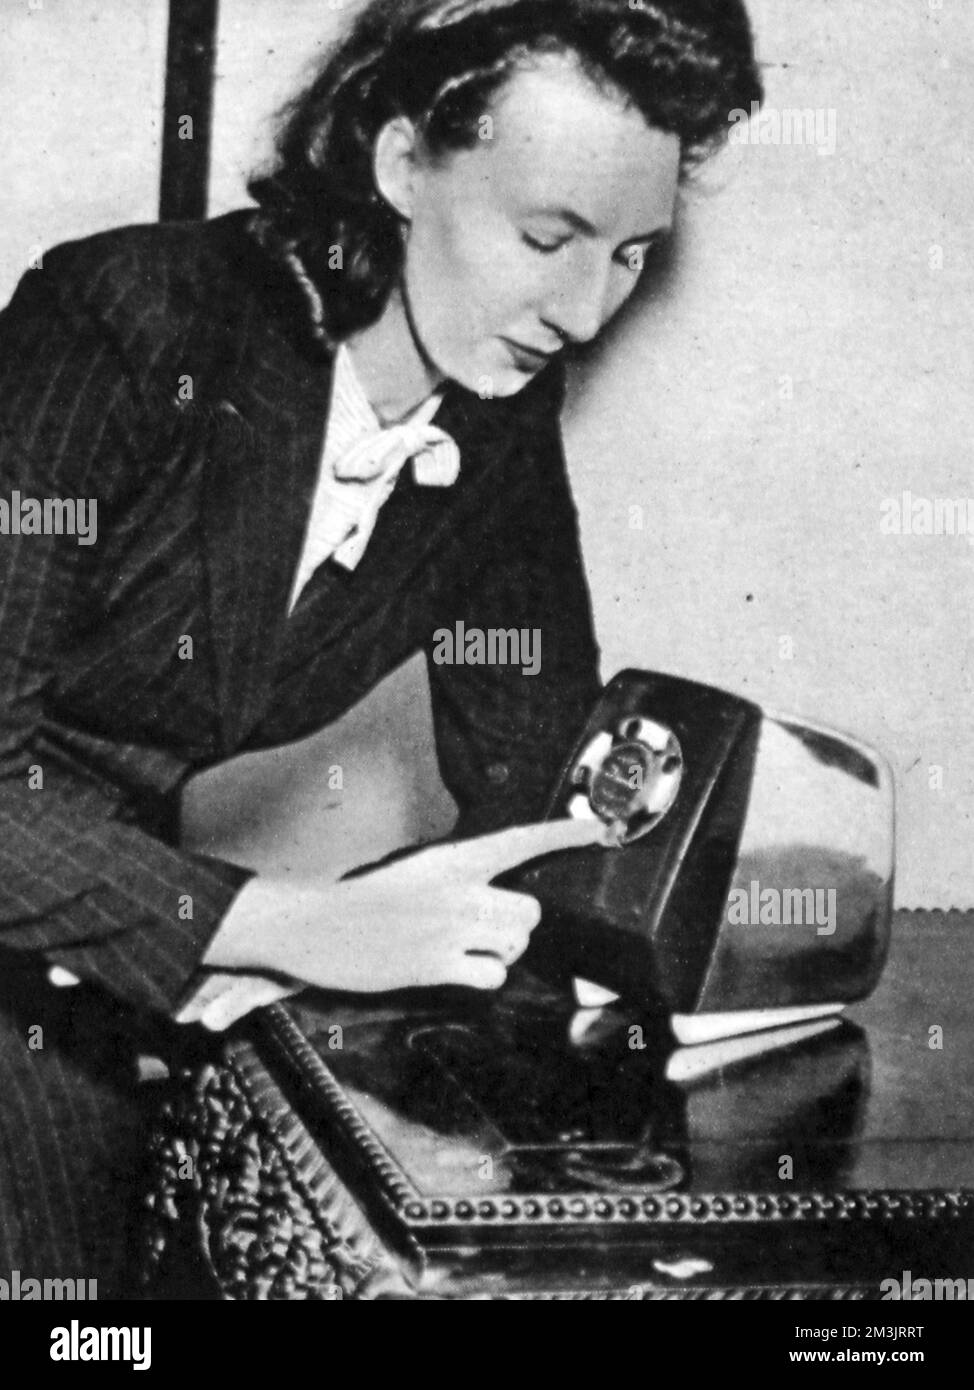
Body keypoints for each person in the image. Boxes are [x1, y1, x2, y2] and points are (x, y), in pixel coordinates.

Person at [0, 0, 762, 1296]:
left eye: (632, 255)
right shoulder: (128, 319)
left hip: (85, 960)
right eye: (546, 236)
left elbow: (542, 778)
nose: (583, 310)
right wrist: (277, 923)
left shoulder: (497, 420)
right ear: (400, 161)